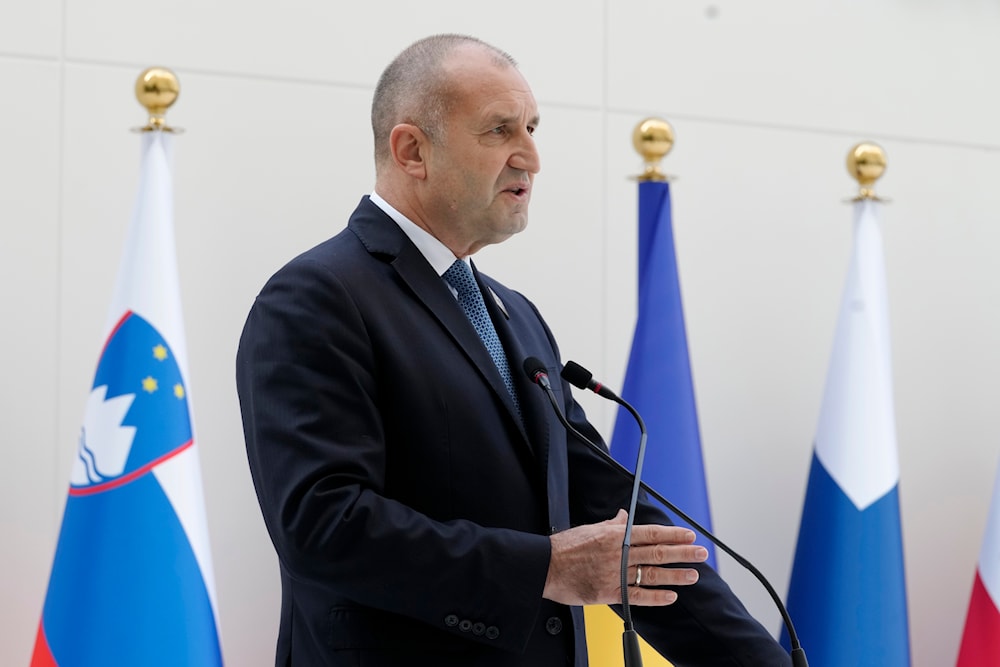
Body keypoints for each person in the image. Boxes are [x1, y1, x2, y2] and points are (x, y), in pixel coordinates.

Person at [236, 33, 791, 667]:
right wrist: (546, 568)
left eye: (531, 127)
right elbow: (322, 524)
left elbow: (619, 529)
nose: (530, 156)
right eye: (500, 130)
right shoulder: (317, 297)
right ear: (412, 150)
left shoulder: (517, 317)